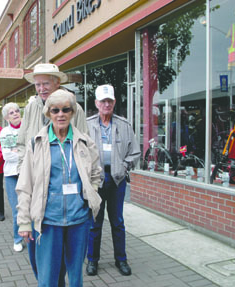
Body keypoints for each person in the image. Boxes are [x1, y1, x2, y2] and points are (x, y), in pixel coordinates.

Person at [16, 89, 102, 287]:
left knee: (75, 278)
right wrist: (24, 222)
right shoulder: (36, 143)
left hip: (78, 219)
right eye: (55, 110)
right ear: (48, 113)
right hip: (48, 220)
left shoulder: (85, 142)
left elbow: (96, 172)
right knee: (47, 278)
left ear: (73, 112)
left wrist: (92, 192)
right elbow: (25, 185)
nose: (61, 114)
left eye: (66, 109)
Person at [85, 84, 141, 277]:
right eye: (103, 101)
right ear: (96, 103)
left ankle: (121, 260)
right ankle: (92, 260)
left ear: (114, 102)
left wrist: (124, 166)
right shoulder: (87, 124)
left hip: (117, 180)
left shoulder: (124, 125)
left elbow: (135, 152)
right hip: (96, 181)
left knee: (117, 222)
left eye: (110, 101)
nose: (106, 104)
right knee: (94, 223)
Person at [0, 103, 23, 252]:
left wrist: (16, 150)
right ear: (6, 117)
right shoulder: (4, 132)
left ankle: (32, 236)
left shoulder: (27, 129)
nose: (15, 114)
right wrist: (23, 152)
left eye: (17, 111)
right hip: (11, 175)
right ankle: (17, 239)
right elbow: (6, 155)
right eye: (11, 112)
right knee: (17, 209)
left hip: (27, 173)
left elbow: (33, 151)